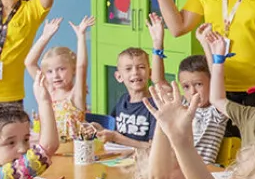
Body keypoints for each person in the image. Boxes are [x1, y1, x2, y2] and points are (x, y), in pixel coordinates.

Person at [25, 15, 93, 142]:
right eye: (50, 71)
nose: (55, 75)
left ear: (73, 69)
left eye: (61, 69)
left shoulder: (75, 95)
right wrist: (45, 37)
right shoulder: (49, 91)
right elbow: (29, 63)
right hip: (48, 148)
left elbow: (82, 66)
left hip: (71, 150)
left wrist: (81, 36)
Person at [103, 14, 165, 147]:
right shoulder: (123, 101)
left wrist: (118, 139)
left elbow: (153, 148)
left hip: (142, 159)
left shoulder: (154, 105)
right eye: (128, 69)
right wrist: (98, 129)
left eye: (141, 67)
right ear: (119, 77)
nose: (135, 72)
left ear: (150, 73)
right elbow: (112, 131)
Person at [176, 52, 227, 165]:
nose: (193, 92)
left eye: (199, 84)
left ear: (212, 84)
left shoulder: (215, 111)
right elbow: (159, 82)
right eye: (186, 86)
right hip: (175, 164)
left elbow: (216, 78)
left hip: (199, 168)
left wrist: (205, 45)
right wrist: (157, 46)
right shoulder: (183, 104)